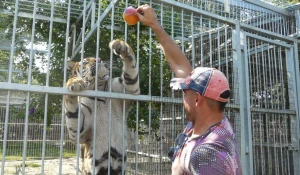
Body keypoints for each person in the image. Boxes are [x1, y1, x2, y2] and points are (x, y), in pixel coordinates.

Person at [135, 4, 242, 175]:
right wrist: (155, 25)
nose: (183, 98)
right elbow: (180, 66)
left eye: (185, 94)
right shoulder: (214, 121)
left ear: (198, 99)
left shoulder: (207, 153)